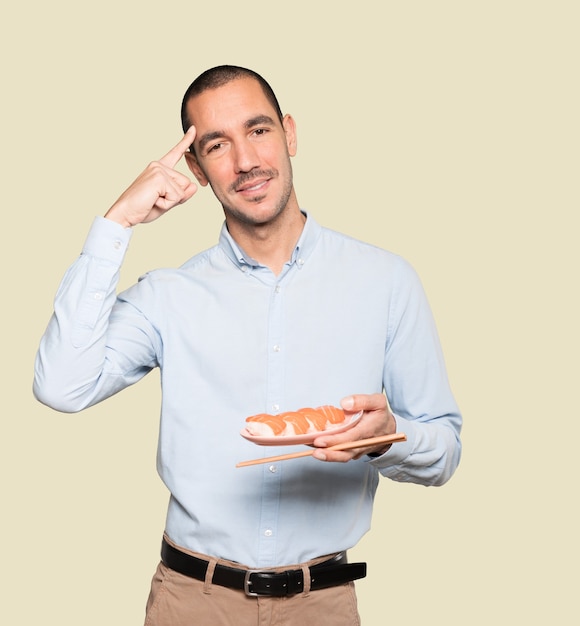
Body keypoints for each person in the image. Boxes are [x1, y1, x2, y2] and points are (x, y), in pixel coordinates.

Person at [33, 65, 462, 625]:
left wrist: (387, 439)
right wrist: (119, 222)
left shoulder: (386, 281)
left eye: (258, 131)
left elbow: (444, 450)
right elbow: (62, 386)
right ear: (197, 169)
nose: (245, 162)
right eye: (217, 144)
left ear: (289, 133)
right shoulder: (169, 295)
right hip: (191, 601)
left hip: (323, 604)